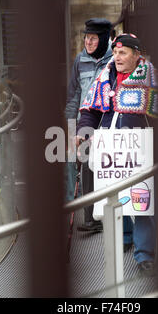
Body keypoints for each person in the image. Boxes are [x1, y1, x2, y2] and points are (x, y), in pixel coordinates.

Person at [76, 33, 158, 274]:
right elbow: (90, 109)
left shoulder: (150, 77)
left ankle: (145, 254)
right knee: (115, 195)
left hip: (139, 148)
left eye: (123, 53)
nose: (117, 57)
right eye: (115, 52)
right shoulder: (105, 76)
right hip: (110, 147)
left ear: (136, 55)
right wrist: (82, 130)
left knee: (141, 199)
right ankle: (124, 238)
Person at [64, 18, 113, 232]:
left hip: (107, 123)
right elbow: (74, 95)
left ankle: (108, 215)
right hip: (85, 122)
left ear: (103, 39)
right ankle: (90, 218)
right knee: (83, 167)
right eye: (86, 38)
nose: (88, 43)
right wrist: (69, 125)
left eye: (93, 39)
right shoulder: (80, 61)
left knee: (104, 168)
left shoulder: (115, 60)